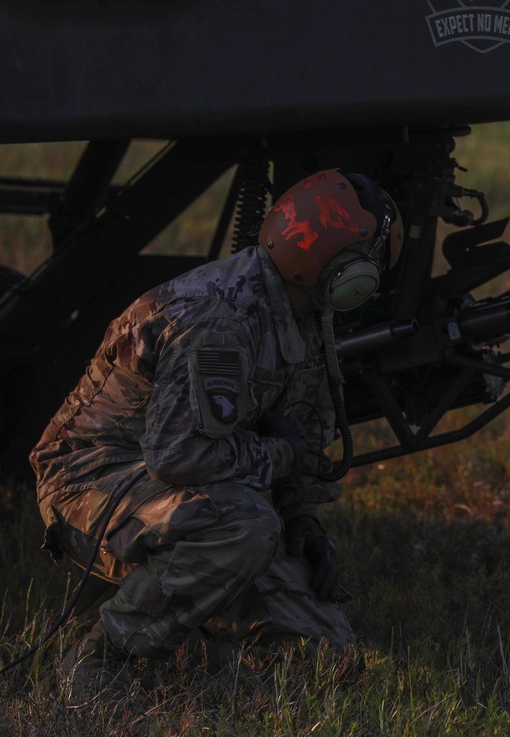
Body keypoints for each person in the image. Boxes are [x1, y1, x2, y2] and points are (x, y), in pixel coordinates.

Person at [29, 169, 403, 704]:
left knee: (323, 648)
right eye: (370, 264)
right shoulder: (220, 321)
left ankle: (180, 621)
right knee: (243, 527)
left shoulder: (300, 310)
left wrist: (303, 522)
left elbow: (303, 424)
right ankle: (102, 655)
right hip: (89, 478)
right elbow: (179, 457)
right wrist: (278, 456)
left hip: (165, 481)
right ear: (340, 268)